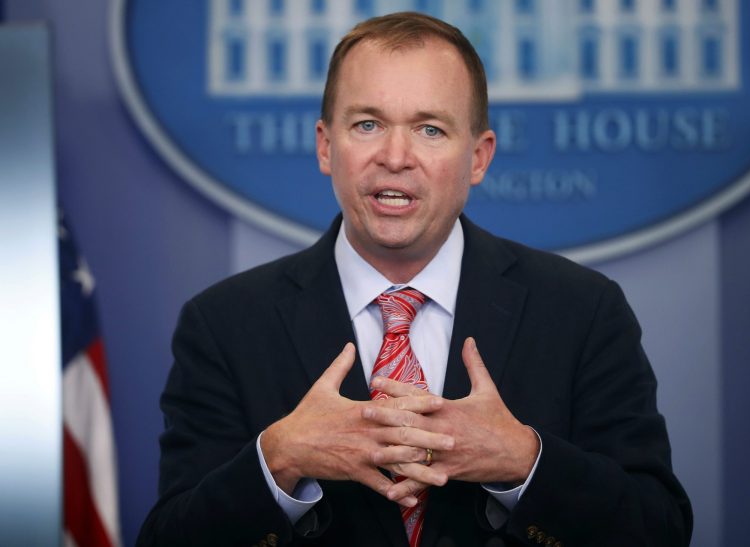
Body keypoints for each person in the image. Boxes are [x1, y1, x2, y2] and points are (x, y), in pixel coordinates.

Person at [138, 12, 692, 547]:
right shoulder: (224, 324)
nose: (395, 157)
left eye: (430, 128)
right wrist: (280, 459)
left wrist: (523, 461)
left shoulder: (582, 310)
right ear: (326, 146)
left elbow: (659, 528)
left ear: (478, 157)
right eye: (367, 124)